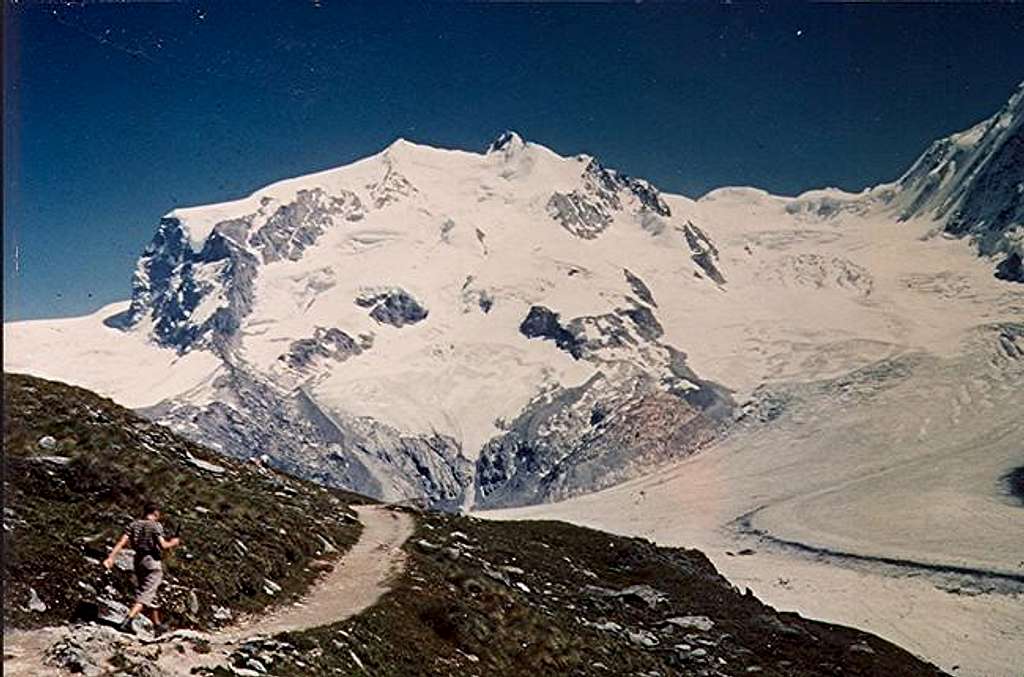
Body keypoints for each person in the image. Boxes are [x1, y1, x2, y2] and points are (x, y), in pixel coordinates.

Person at [103, 501, 181, 635]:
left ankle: (157, 625)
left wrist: (111, 557)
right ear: (156, 513)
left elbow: (122, 542)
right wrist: (173, 543)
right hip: (152, 562)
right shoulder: (156, 526)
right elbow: (163, 546)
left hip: (138, 560)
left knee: (149, 591)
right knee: (146, 594)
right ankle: (128, 621)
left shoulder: (133, 524)